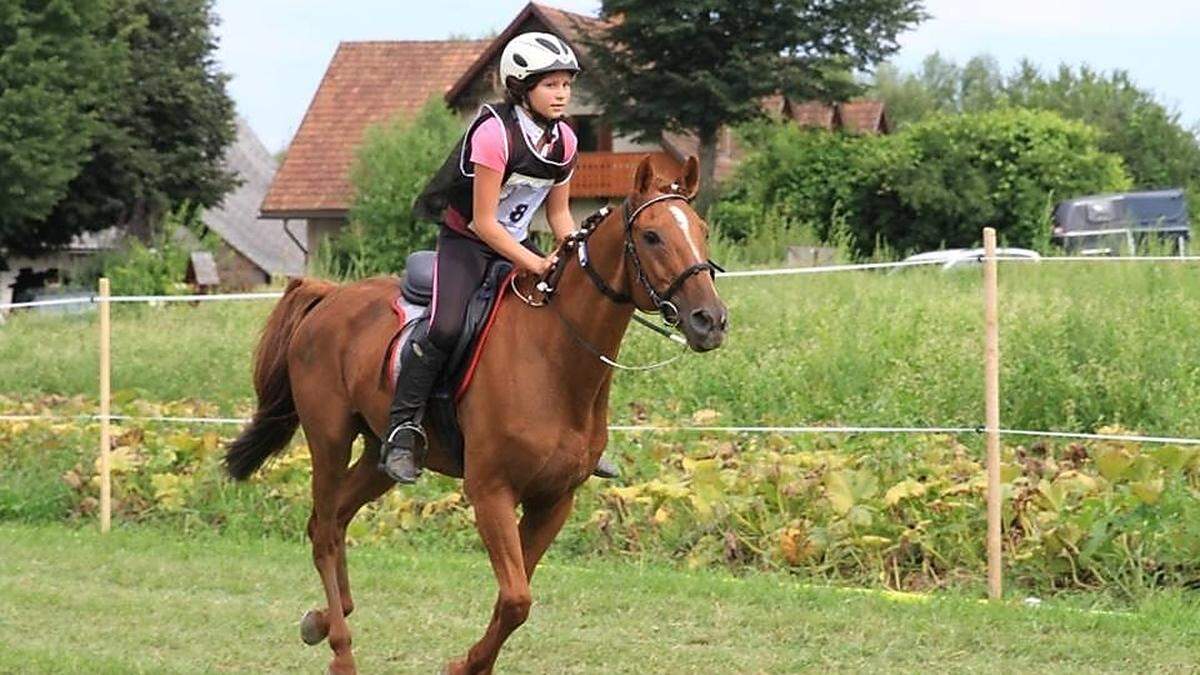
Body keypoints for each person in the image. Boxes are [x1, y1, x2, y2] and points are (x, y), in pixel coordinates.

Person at [380, 31, 619, 483]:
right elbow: (484, 223)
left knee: (565, 318)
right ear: (521, 87)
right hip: (467, 244)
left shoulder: (565, 139)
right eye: (551, 85)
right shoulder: (493, 134)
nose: (562, 94)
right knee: (446, 327)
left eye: (567, 85)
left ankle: (573, 438)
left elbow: (560, 213)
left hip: (518, 244)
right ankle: (403, 429)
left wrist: (572, 254)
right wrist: (534, 263)